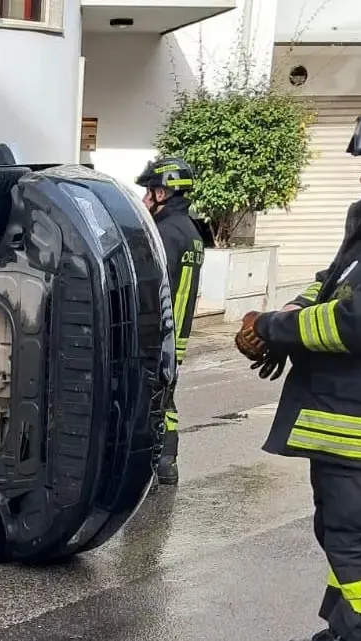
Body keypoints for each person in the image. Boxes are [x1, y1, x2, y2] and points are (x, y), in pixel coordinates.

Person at [235, 87, 361, 641]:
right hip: (343, 410)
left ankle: (357, 634)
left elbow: (358, 321)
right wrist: (289, 317)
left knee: (356, 539)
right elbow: (332, 285)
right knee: (337, 531)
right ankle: (341, 630)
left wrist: (273, 328)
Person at [135, 156, 205, 485]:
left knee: (147, 402)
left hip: (158, 334)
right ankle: (167, 463)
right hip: (178, 335)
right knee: (165, 399)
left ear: (162, 194)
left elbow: (149, 287)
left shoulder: (162, 233)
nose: (145, 199)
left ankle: (148, 467)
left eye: (149, 192)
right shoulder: (191, 232)